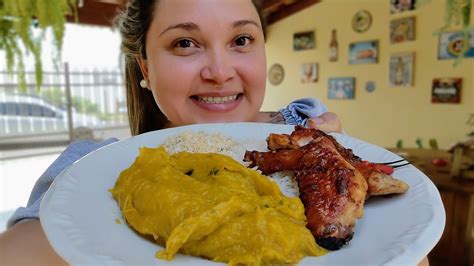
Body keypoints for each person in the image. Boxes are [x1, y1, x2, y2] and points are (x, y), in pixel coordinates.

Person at [0, 0, 425, 265]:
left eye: (241, 39)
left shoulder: (309, 131)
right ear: (145, 67)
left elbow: (411, 253)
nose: (220, 72)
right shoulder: (92, 167)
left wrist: (339, 158)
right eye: (185, 43)